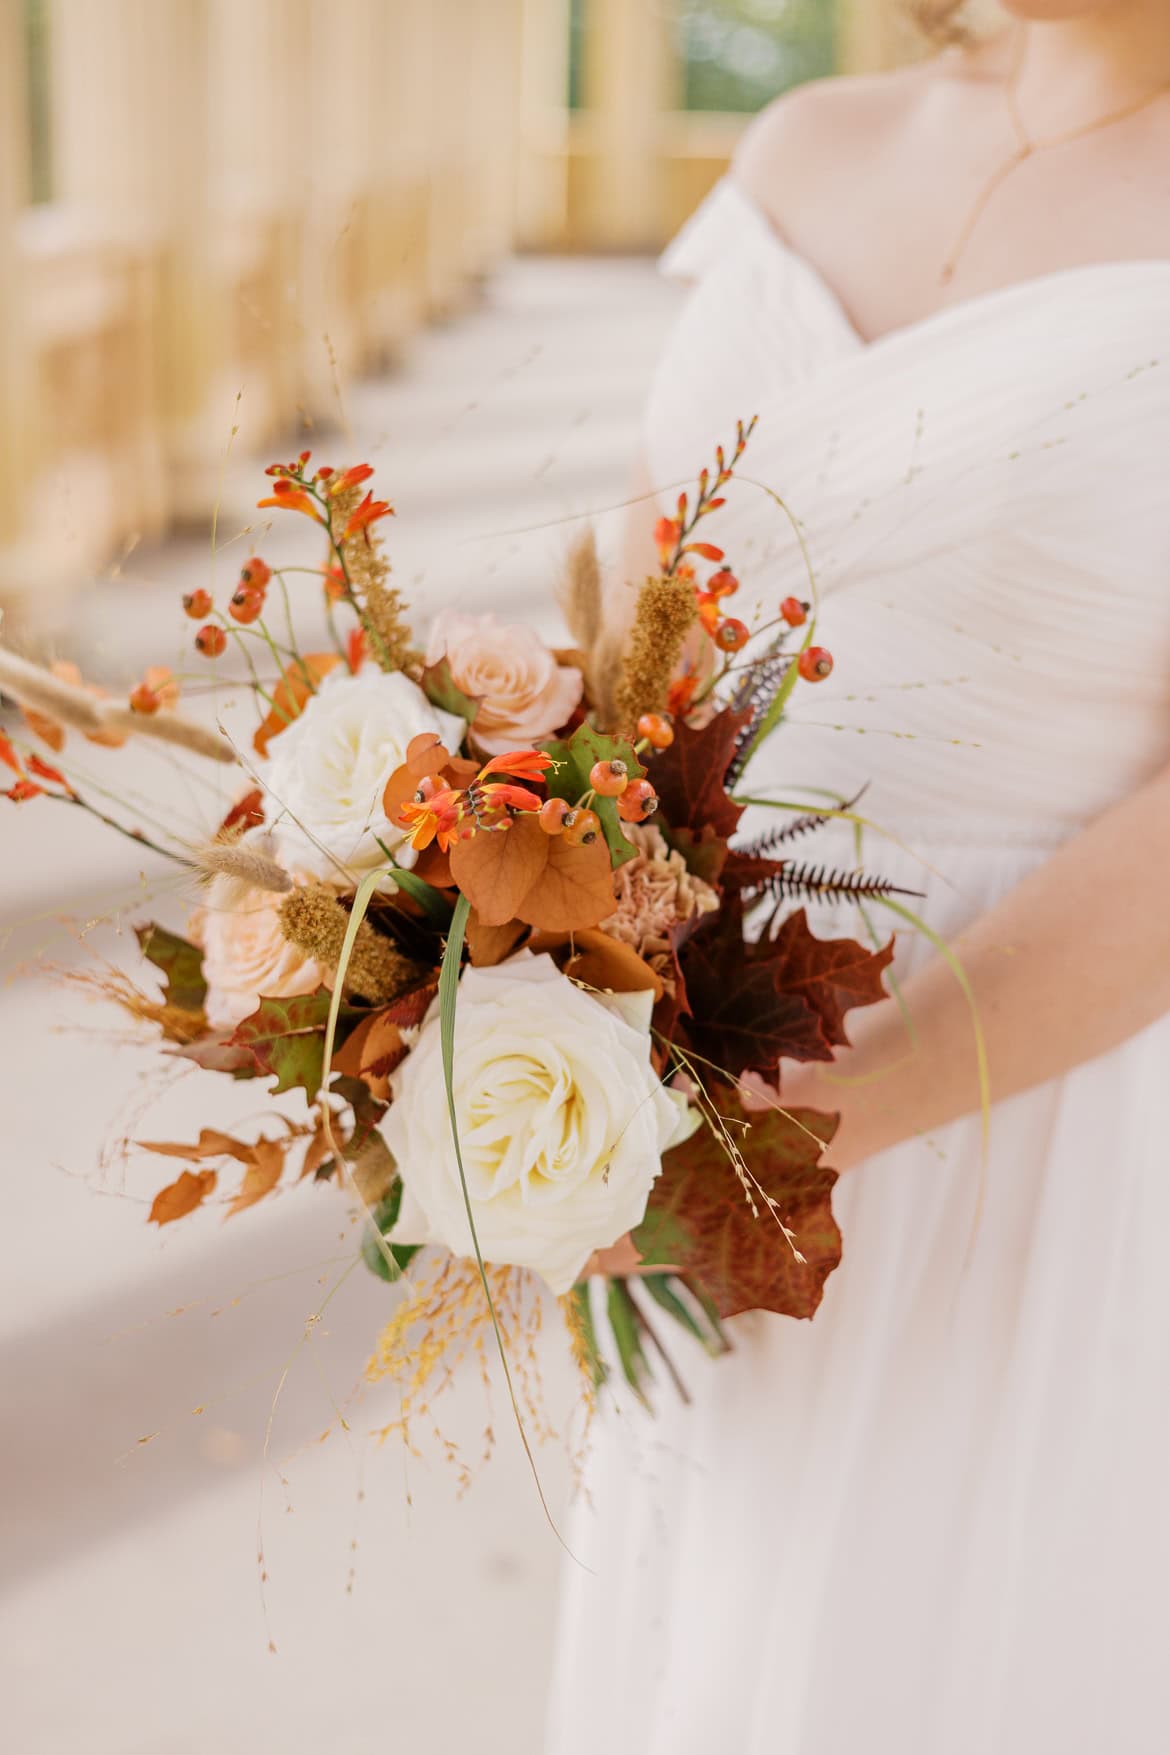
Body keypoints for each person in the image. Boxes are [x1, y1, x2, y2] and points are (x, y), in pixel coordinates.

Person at [547, 4, 1170, 1751]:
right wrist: (497, 933)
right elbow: (641, 609)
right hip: (699, 1060)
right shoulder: (811, 142)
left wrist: (796, 1133)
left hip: (1053, 1108)